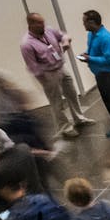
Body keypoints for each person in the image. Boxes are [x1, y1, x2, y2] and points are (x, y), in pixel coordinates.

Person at [20, 12, 95, 140]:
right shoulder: (27, 44)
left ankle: (79, 119)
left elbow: (64, 35)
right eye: (39, 23)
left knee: (72, 93)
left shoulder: (48, 30)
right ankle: (65, 127)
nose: (43, 25)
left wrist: (65, 42)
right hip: (48, 74)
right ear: (31, 24)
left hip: (61, 67)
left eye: (43, 22)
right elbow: (33, 67)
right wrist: (46, 79)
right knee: (56, 102)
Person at [78, 10, 110, 132]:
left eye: (84, 22)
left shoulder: (106, 38)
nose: (83, 24)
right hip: (101, 76)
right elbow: (94, 51)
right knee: (109, 104)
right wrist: (87, 54)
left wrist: (90, 58)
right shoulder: (91, 35)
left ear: (91, 22)